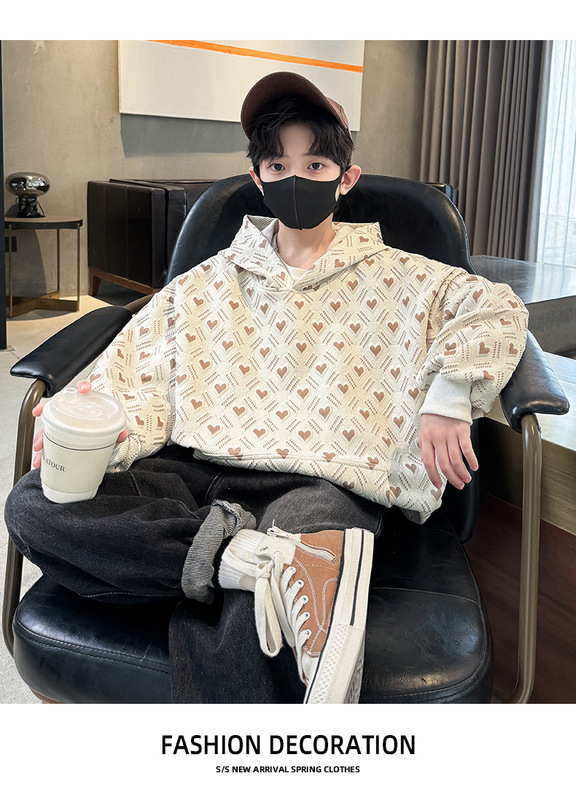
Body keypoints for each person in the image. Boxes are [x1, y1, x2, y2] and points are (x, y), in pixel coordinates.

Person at [5, 71, 528, 704]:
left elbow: (497, 309)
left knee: (248, 623)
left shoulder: (407, 278)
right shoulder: (208, 280)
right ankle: (234, 560)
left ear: (346, 178)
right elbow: (134, 367)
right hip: (191, 472)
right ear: (257, 178)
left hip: (319, 482)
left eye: (315, 164)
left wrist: (450, 395)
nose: (295, 179)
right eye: (278, 165)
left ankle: (241, 578)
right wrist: (85, 428)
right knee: (33, 504)